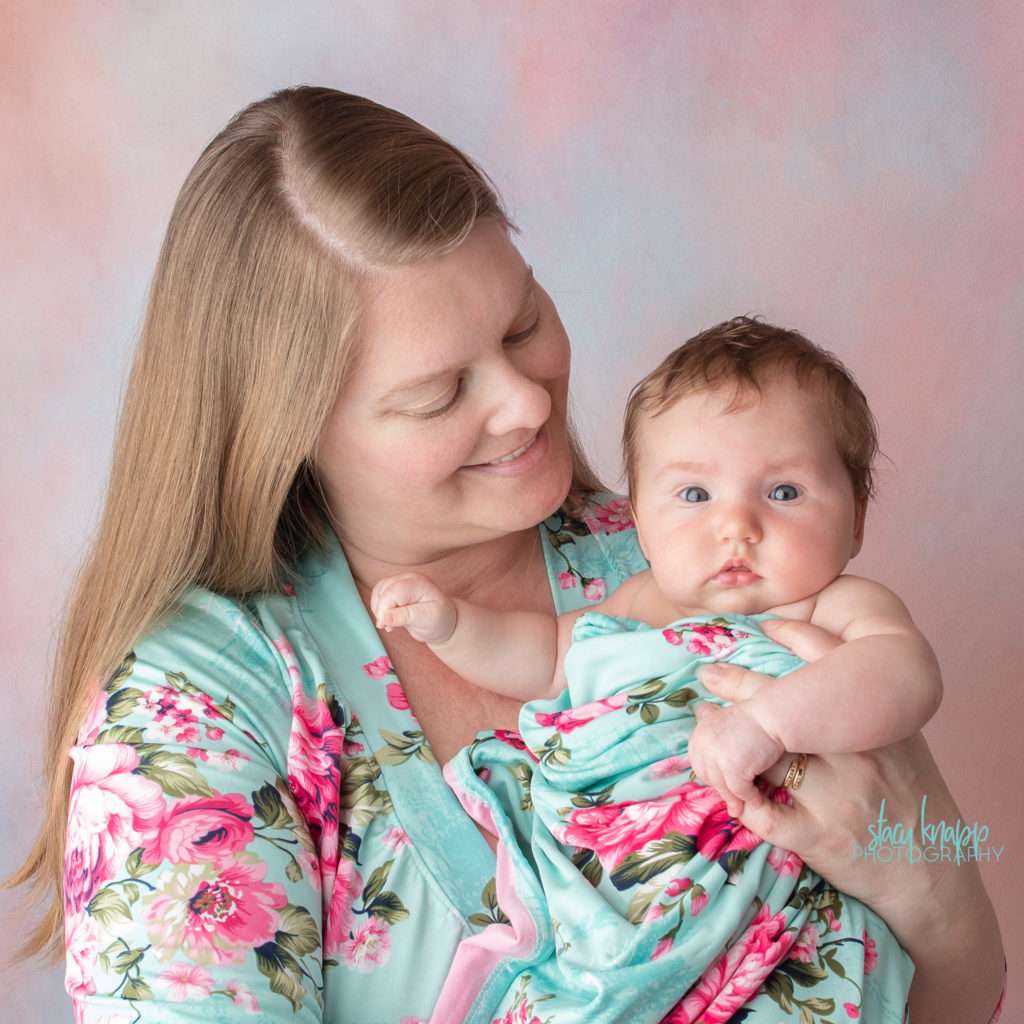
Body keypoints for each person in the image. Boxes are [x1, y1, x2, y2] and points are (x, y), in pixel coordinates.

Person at [3, 87, 1005, 1024]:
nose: (526, 401)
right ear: (287, 431)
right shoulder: (198, 702)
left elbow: (948, 989)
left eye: (523, 324)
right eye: (440, 392)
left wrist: (923, 881)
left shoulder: (689, 557)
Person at [365, 318, 937, 1020]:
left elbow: (905, 673)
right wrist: (453, 625)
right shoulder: (640, 603)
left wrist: (768, 722)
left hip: (770, 896)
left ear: (857, 518)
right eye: (695, 495)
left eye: (784, 492)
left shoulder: (832, 605)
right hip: (628, 891)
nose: (737, 526)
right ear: (638, 519)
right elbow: (545, 655)